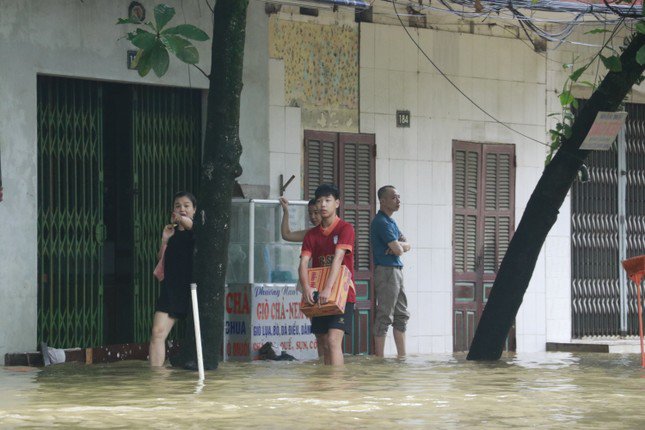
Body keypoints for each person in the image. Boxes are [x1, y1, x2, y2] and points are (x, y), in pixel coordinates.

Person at [299, 184, 355, 365]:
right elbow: (303, 263)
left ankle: (336, 387)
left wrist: (328, 289)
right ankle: (324, 386)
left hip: (343, 294)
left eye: (328, 200)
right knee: (322, 342)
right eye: (320, 201)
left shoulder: (345, 229)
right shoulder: (311, 235)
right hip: (317, 293)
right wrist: (306, 288)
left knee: (332, 340)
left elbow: (338, 258)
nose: (323, 205)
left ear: (337, 203)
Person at [149, 191, 197, 367]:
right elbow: (160, 257)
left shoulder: (197, 229)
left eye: (186, 206)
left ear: (194, 210)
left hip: (192, 291)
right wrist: (165, 240)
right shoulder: (171, 232)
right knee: (157, 332)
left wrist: (180, 218)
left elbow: (190, 225)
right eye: (178, 205)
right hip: (171, 290)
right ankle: (157, 379)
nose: (182, 209)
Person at [370, 185, 411, 357]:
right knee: (385, 315)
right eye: (394, 197)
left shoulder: (391, 221)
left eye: (399, 197)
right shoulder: (380, 222)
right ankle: (379, 358)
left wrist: (397, 246)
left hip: (396, 270)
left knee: (401, 314)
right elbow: (400, 250)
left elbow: (406, 245)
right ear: (383, 200)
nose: (398, 201)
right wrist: (398, 247)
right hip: (386, 271)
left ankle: (402, 356)